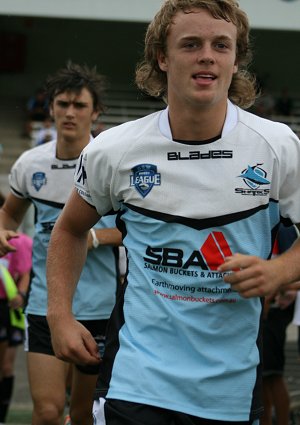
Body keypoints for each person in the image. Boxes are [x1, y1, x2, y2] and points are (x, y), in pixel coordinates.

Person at [46, 1, 300, 424]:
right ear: (161, 58)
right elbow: (69, 230)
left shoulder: (278, 147)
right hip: (136, 380)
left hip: (231, 389)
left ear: (236, 59)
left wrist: (280, 271)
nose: (207, 55)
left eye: (221, 45)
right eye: (191, 44)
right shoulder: (115, 150)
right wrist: (60, 315)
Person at [0, 62, 122, 425]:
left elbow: (135, 229)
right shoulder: (30, 164)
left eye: (80, 105)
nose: (70, 112)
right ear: (50, 107)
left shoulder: (112, 162)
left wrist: (94, 237)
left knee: (83, 414)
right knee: (49, 411)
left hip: (99, 307)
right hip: (44, 305)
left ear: (95, 112)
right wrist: (3, 231)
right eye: (62, 103)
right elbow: (9, 214)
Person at [261, 224, 299, 425]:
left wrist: (273, 289)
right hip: (262, 313)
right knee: (263, 380)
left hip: (275, 313)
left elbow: (294, 271)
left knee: (273, 376)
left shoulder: (284, 229)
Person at [0, 191, 33, 423]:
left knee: (6, 365)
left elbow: (25, 272)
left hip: (8, 309)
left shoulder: (19, 241)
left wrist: (21, 293)